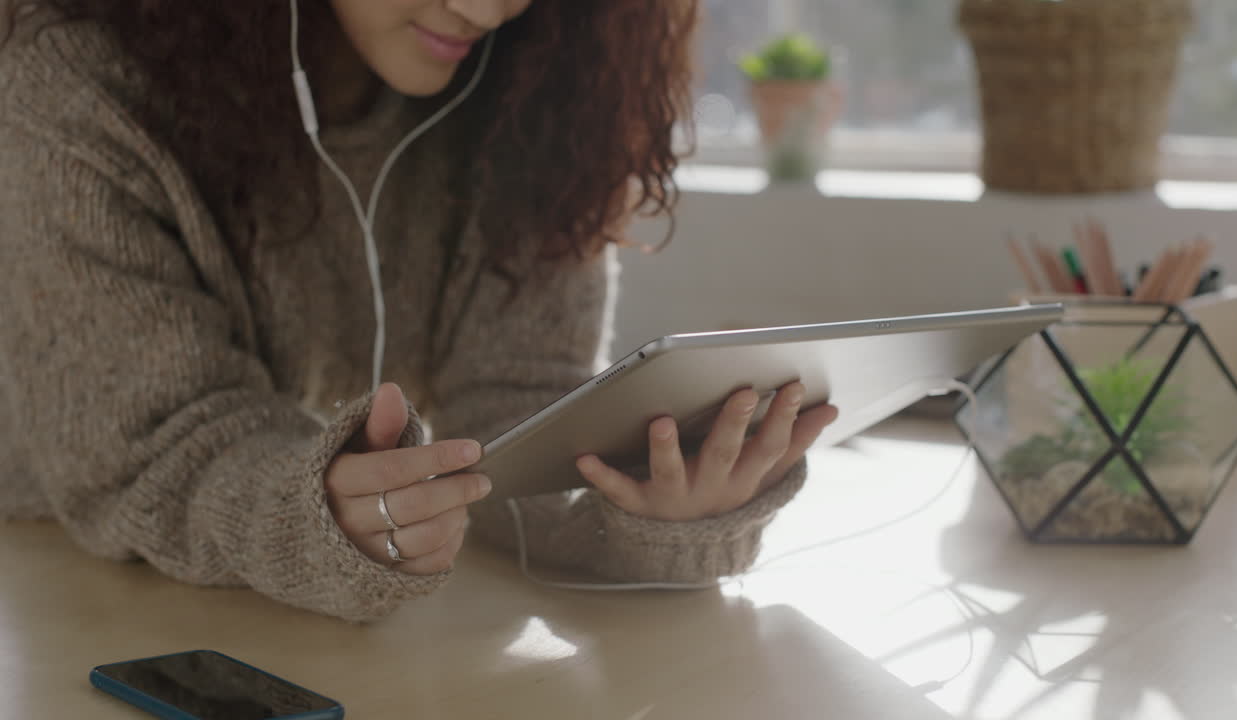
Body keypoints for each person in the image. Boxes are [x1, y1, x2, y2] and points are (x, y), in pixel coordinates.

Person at [0, 0, 838, 622]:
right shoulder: (76, 80)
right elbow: (154, 447)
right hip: (58, 586)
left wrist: (650, 503)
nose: (488, 8)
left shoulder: (533, 77)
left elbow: (513, 416)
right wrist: (316, 517)